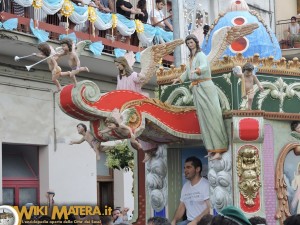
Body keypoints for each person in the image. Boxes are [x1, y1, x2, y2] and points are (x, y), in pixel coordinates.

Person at [172, 34, 228, 160]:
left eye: (191, 42)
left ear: (196, 43)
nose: (189, 45)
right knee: (203, 119)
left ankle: (219, 148)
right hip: (197, 89)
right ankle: (210, 148)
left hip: (205, 87)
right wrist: (179, 79)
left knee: (213, 117)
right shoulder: (191, 58)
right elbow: (187, 72)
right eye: (188, 43)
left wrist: (197, 70)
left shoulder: (201, 55)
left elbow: (204, 66)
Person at [171, 156, 210, 225]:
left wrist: (195, 221)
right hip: (189, 222)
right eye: (184, 168)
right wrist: (174, 221)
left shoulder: (206, 185)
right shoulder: (185, 187)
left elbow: (210, 208)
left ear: (197, 169)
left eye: (188, 167)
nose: (185, 170)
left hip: (204, 222)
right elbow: (181, 207)